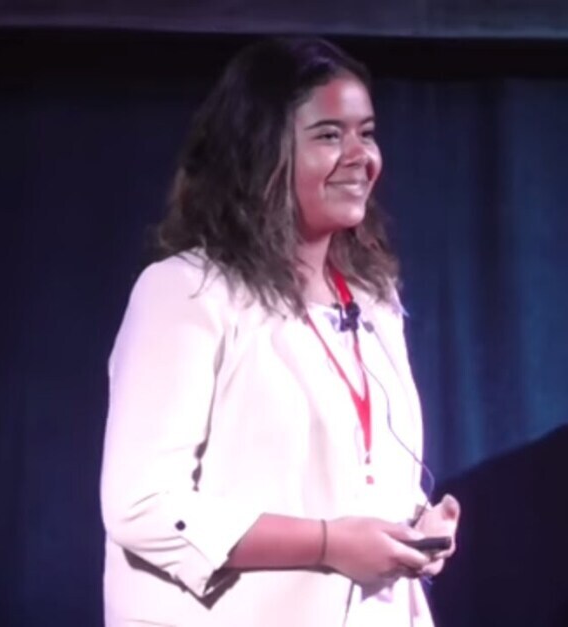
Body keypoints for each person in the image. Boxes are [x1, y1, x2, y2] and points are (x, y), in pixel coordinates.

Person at [99, 36, 461, 627]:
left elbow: (357, 474)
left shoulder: (373, 299)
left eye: (367, 133)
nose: (360, 156)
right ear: (260, 153)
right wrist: (328, 544)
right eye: (329, 135)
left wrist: (412, 526)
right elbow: (142, 506)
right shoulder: (186, 292)